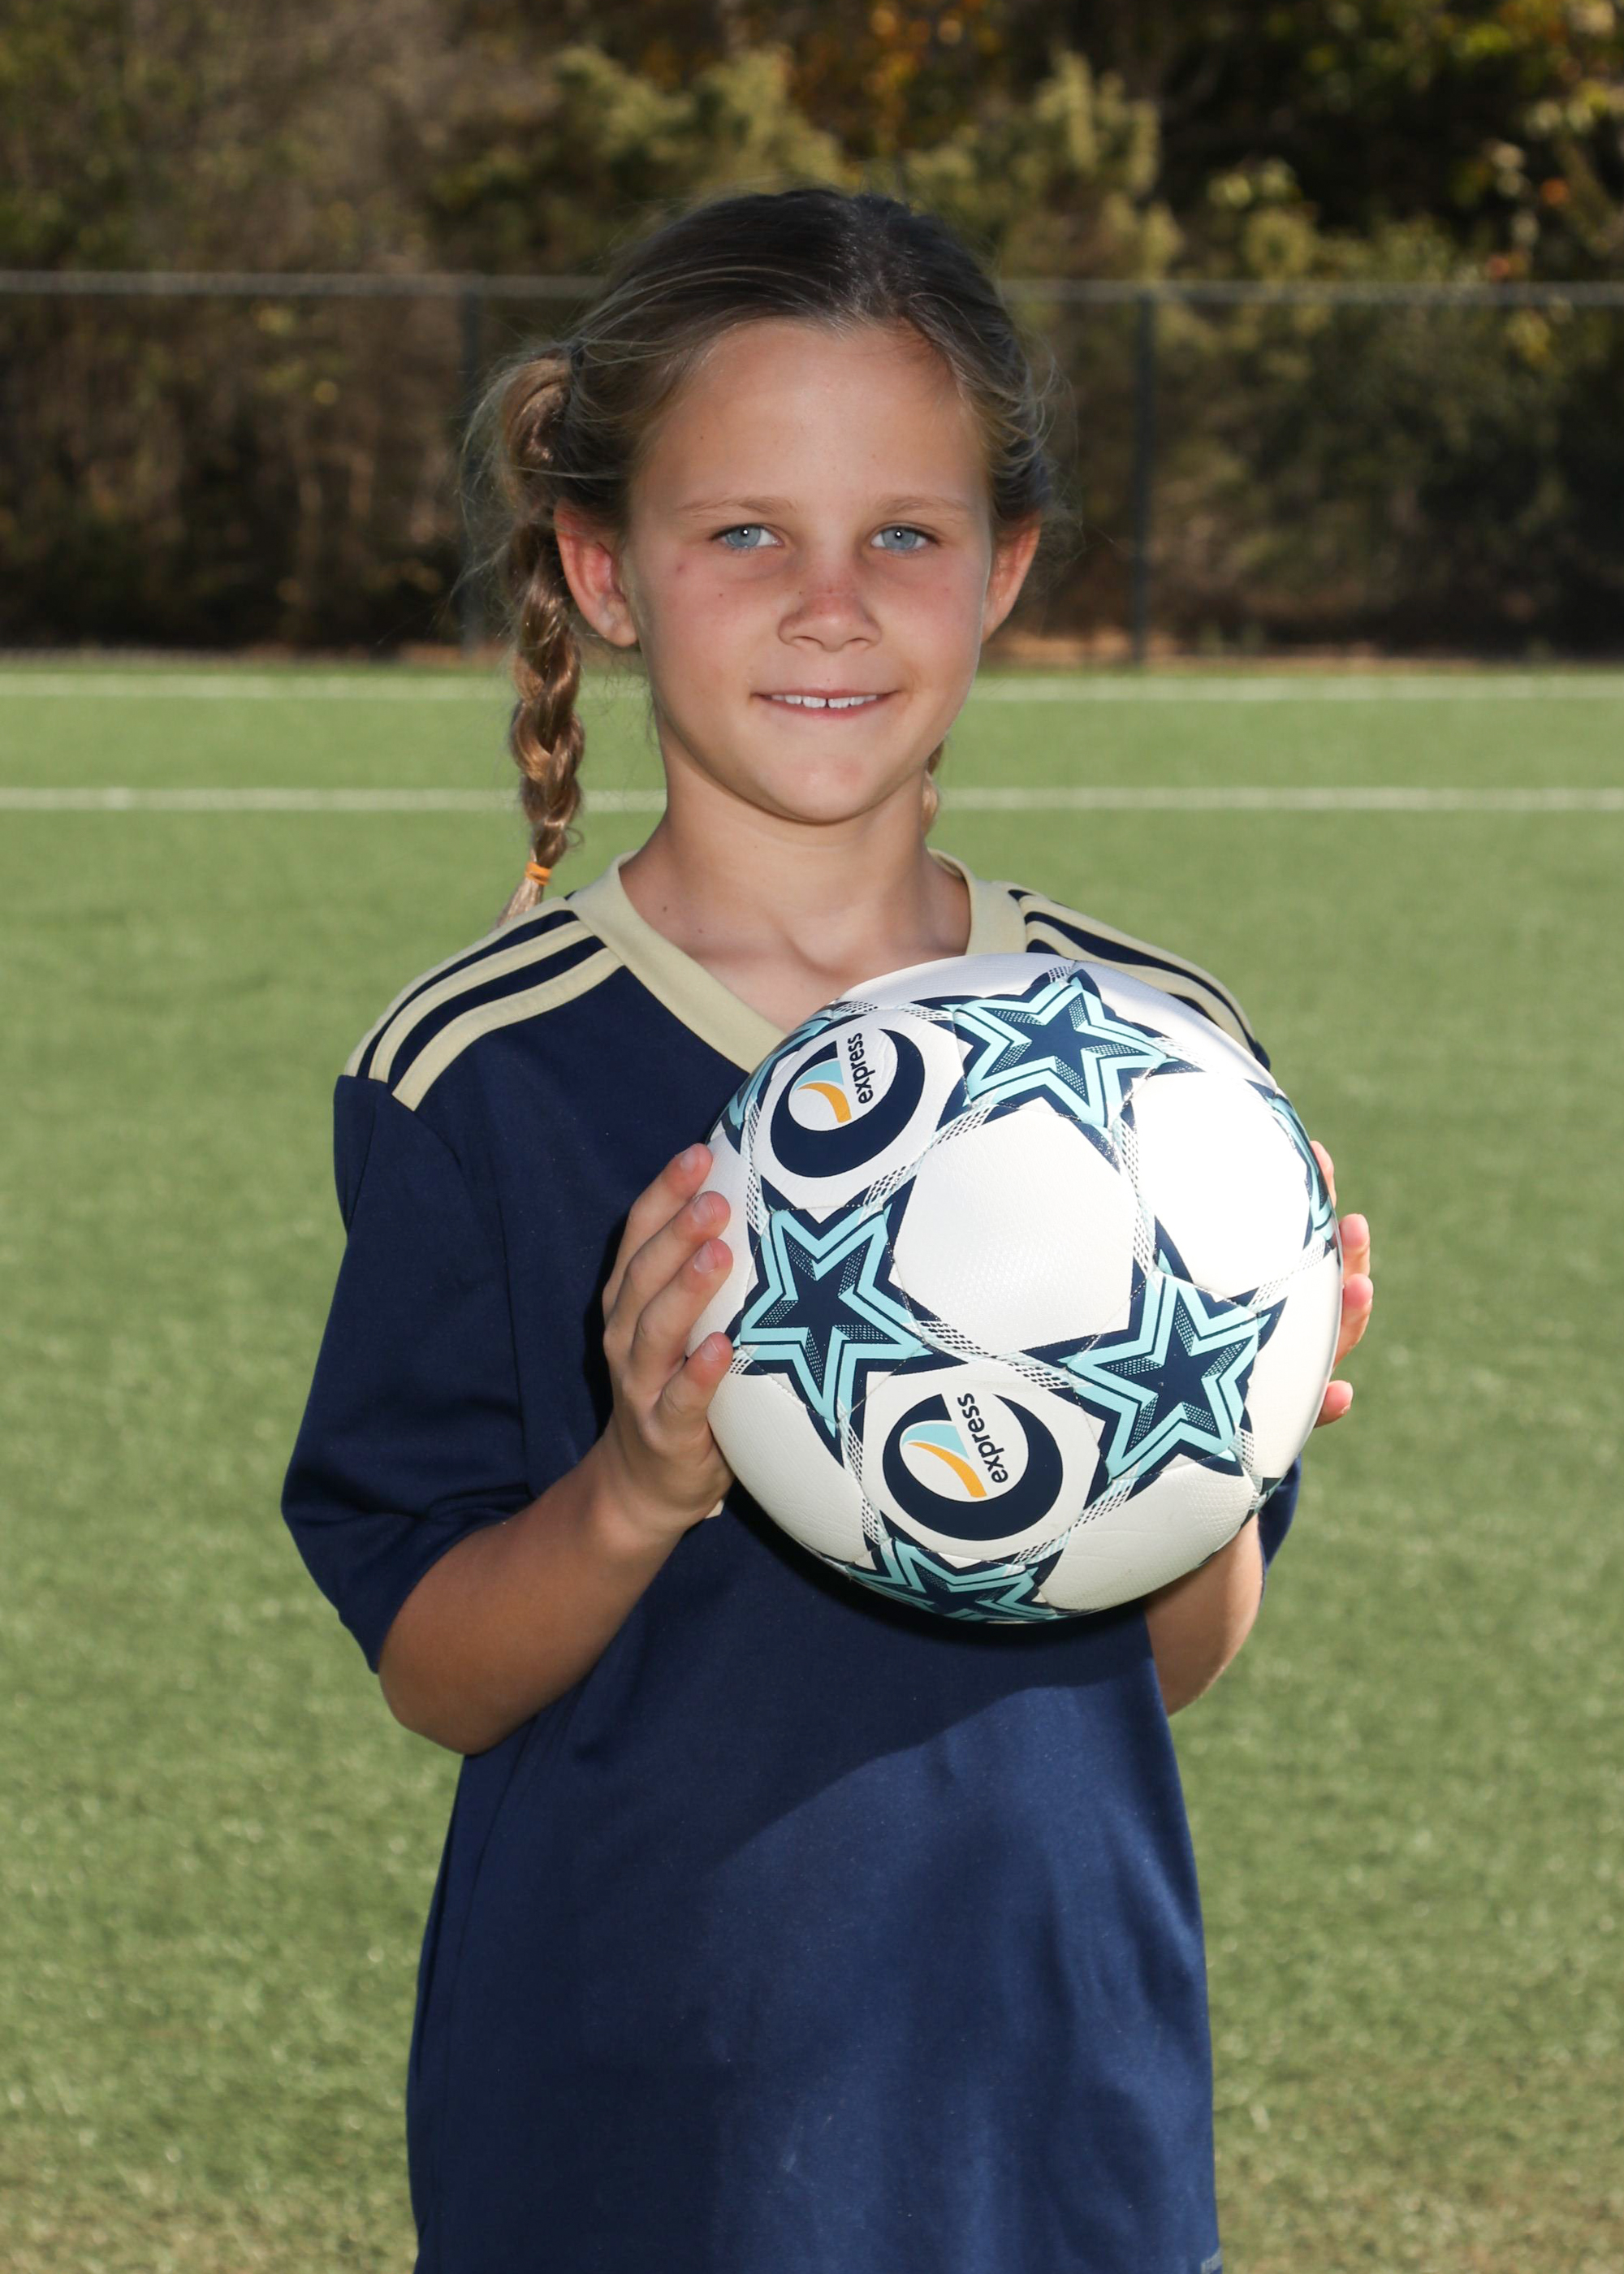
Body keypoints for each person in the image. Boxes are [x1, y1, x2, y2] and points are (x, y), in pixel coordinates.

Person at [283, 184, 1373, 2274]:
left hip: (1054, 2112)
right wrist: (632, 1484)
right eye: (743, 532)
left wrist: (1216, 1439)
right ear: (603, 571)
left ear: (1003, 569)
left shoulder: (1165, 1074)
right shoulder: (480, 1070)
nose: (829, 605)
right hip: (630, 2125)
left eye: (903, 535)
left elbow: (1174, 1657)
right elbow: (435, 1666)